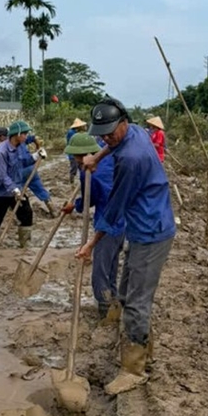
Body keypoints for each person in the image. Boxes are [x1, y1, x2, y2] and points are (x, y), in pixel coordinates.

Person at [77, 96, 175, 395]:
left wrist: (90, 245)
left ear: (123, 122)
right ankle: (143, 348)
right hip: (144, 224)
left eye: (110, 132)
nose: (106, 138)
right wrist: (99, 156)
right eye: (101, 133)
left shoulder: (132, 159)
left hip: (151, 230)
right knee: (126, 288)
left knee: (136, 301)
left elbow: (114, 210)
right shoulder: (134, 131)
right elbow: (115, 144)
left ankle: (135, 369)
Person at [62, 132, 125, 320]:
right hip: (123, 222)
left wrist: (79, 206)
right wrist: (76, 206)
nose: (74, 160)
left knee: (100, 271)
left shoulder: (90, 172)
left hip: (108, 224)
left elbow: (96, 198)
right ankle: (113, 301)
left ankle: (105, 309)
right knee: (111, 266)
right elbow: (92, 197)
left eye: (75, 156)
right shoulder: (111, 160)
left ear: (82, 155)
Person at [0, 120, 39, 248]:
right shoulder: (1, 152)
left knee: (27, 213)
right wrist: (14, 189)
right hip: (0, 191)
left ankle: (25, 243)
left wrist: (36, 156)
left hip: (17, 187)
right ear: (17, 134)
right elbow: (2, 175)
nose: (26, 137)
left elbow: (23, 162)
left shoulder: (20, 146)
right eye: (24, 134)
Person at [0, 125, 55, 217]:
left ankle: (18, 213)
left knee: (15, 192)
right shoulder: (20, 139)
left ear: (3, 136)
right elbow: (33, 138)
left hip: (20, 172)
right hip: (31, 169)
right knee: (39, 188)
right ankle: (52, 209)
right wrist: (38, 147)